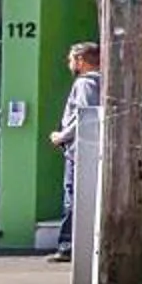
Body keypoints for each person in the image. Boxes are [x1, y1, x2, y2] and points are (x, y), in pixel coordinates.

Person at [48, 41, 100, 262]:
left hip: (80, 149)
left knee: (73, 197)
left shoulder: (85, 83)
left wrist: (62, 136)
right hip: (87, 148)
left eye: (71, 59)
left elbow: (85, 114)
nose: (68, 63)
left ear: (81, 60)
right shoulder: (101, 82)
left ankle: (68, 245)